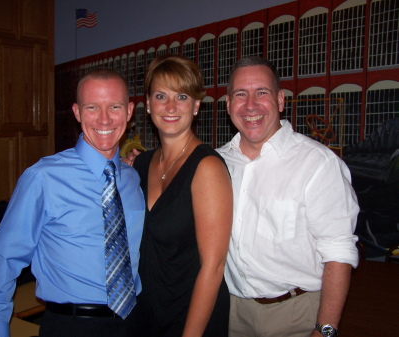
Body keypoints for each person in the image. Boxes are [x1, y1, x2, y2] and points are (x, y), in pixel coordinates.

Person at [0, 68, 145, 337]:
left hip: (134, 322)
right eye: (92, 107)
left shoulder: (133, 179)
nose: (104, 118)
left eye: (114, 106)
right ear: (77, 113)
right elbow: (3, 257)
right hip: (71, 325)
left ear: (129, 111)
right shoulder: (43, 178)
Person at [216, 56, 359, 337]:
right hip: (230, 313)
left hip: (297, 316)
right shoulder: (216, 163)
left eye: (262, 93)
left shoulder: (318, 163)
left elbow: (338, 251)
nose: (251, 105)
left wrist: (325, 329)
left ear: (280, 100)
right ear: (229, 103)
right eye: (241, 94)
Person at [129, 54, 233, 337]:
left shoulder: (207, 167)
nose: (171, 106)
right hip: (147, 311)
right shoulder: (139, 165)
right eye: (161, 96)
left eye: (182, 96)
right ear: (148, 104)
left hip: (191, 318)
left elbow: (213, 267)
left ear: (196, 105)